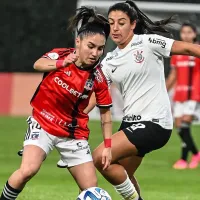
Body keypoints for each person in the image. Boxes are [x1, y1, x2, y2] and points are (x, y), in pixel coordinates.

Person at [88, 1, 200, 200]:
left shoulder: (148, 42)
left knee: (100, 157)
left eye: (121, 22)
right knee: (124, 175)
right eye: (111, 22)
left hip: (154, 123)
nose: (115, 27)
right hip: (130, 123)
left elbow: (190, 49)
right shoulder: (109, 60)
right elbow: (96, 95)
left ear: (133, 24)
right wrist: (74, 116)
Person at [0, 6, 113, 200]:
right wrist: (63, 64)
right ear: (78, 42)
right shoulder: (60, 55)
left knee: (91, 189)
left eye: (100, 48)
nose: (95, 53)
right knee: (28, 170)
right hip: (42, 123)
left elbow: (105, 114)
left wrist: (108, 146)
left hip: (73, 134)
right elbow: (38, 64)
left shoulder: (98, 77)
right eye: (91, 46)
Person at [166, 22, 200, 169]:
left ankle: (186, 158)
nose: (186, 35)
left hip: (194, 93)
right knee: (180, 125)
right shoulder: (177, 53)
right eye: (183, 32)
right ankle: (191, 155)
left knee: (185, 122)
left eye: (189, 32)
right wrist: (164, 90)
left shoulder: (197, 50)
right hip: (180, 93)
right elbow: (173, 74)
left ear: (194, 34)